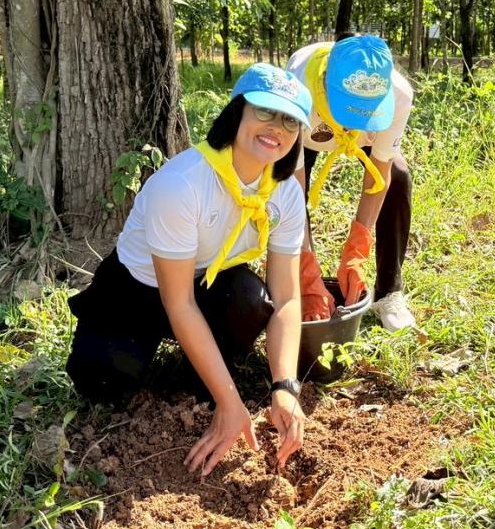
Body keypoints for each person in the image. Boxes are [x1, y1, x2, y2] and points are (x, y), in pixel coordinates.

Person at [65, 63, 312, 474]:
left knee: (253, 301)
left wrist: (285, 385)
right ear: (237, 112)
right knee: (103, 378)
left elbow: (287, 297)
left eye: (290, 120)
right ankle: (187, 374)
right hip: (136, 290)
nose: (276, 128)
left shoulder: (285, 194)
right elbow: (176, 302)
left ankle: (199, 376)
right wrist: (231, 403)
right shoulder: (182, 185)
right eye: (264, 112)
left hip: (206, 282)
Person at [287, 34, 417, 332]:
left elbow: (379, 176)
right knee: (289, 188)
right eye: (349, 112)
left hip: (358, 131)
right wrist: (306, 271)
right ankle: (299, 281)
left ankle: (389, 292)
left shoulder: (399, 95)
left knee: (398, 176)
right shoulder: (296, 91)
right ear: (325, 87)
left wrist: (356, 250)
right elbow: (292, 190)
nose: (355, 126)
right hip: (310, 131)